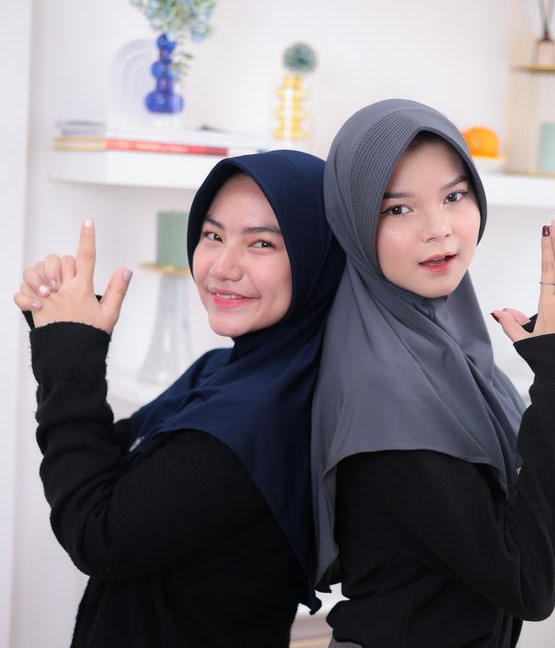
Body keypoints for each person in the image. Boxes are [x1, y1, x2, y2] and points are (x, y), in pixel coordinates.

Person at [311, 99, 555, 648]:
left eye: (454, 196)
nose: (438, 229)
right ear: (355, 223)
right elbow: (530, 584)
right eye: (397, 209)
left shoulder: (456, 361)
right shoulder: (382, 395)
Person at [14, 150, 345, 648]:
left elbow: (99, 533)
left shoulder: (256, 420)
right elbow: (111, 458)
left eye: (261, 243)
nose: (223, 267)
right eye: (213, 236)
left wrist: (70, 352)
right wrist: (62, 327)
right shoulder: (228, 371)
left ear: (318, 255)